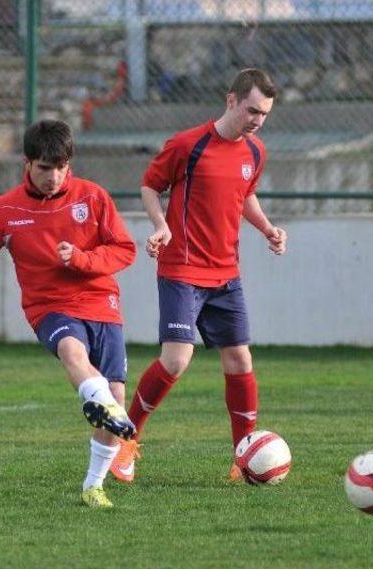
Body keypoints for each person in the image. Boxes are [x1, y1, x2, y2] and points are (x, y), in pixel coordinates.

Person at [0, 119, 136, 508]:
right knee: (72, 352)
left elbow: (124, 249)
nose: (53, 176)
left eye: (61, 167)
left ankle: (94, 485)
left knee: (117, 395)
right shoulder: (5, 210)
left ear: (69, 164)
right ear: (27, 163)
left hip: (101, 303)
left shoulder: (92, 197)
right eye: (44, 167)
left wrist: (82, 258)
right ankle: (99, 401)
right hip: (49, 307)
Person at [109, 68, 287, 483]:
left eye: (264, 114)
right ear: (231, 100)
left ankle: (242, 460)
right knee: (176, 359)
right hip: (182, 268)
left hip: (226, 272)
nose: (258, 120)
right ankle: (126, 441)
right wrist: (160, 226)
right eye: (252, 110)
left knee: (240, 359)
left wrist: (267, 228)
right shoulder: (188, 145)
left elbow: (246, 196)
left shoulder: (255, 152)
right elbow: (150, 186)